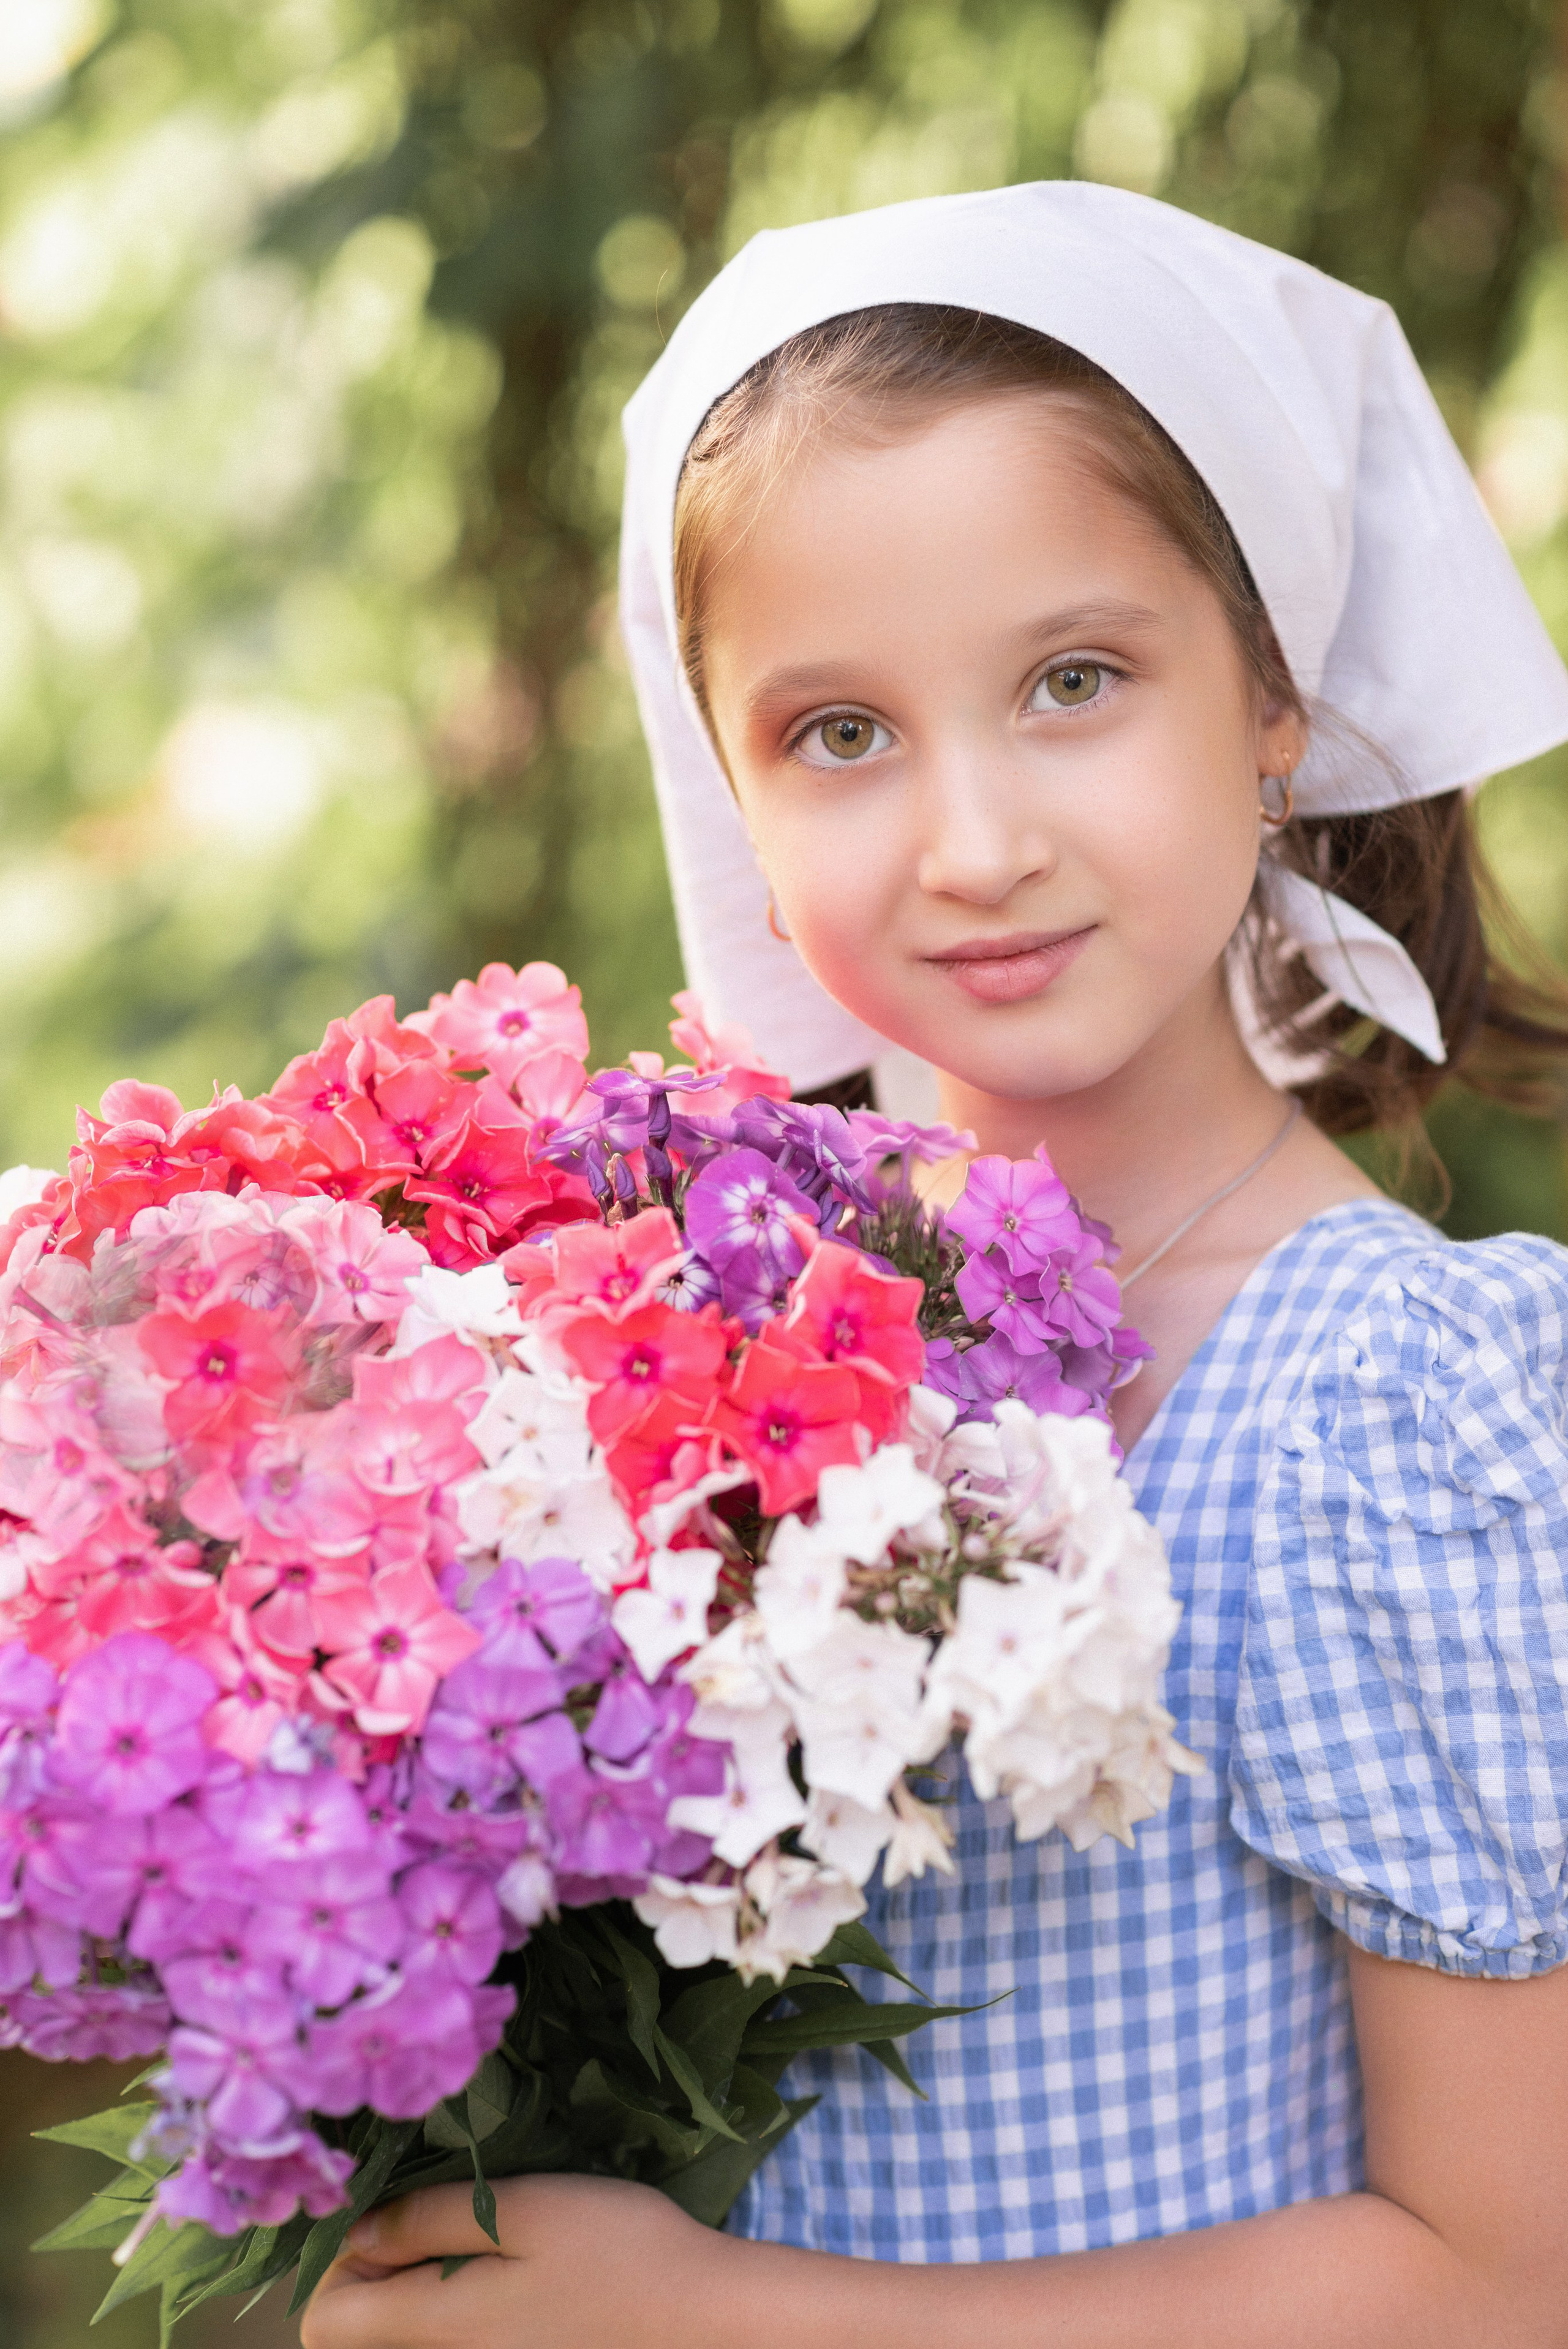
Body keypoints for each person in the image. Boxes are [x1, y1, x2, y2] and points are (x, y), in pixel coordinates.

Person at [302, 183, 1568, 2348]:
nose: (973, 843)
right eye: (843, 733)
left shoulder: (1385, 1396)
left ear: (1271, 697)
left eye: (1073, 680)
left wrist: (703, 2318)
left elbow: (1508, 2272)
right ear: (731, 792)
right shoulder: (679, 1338)